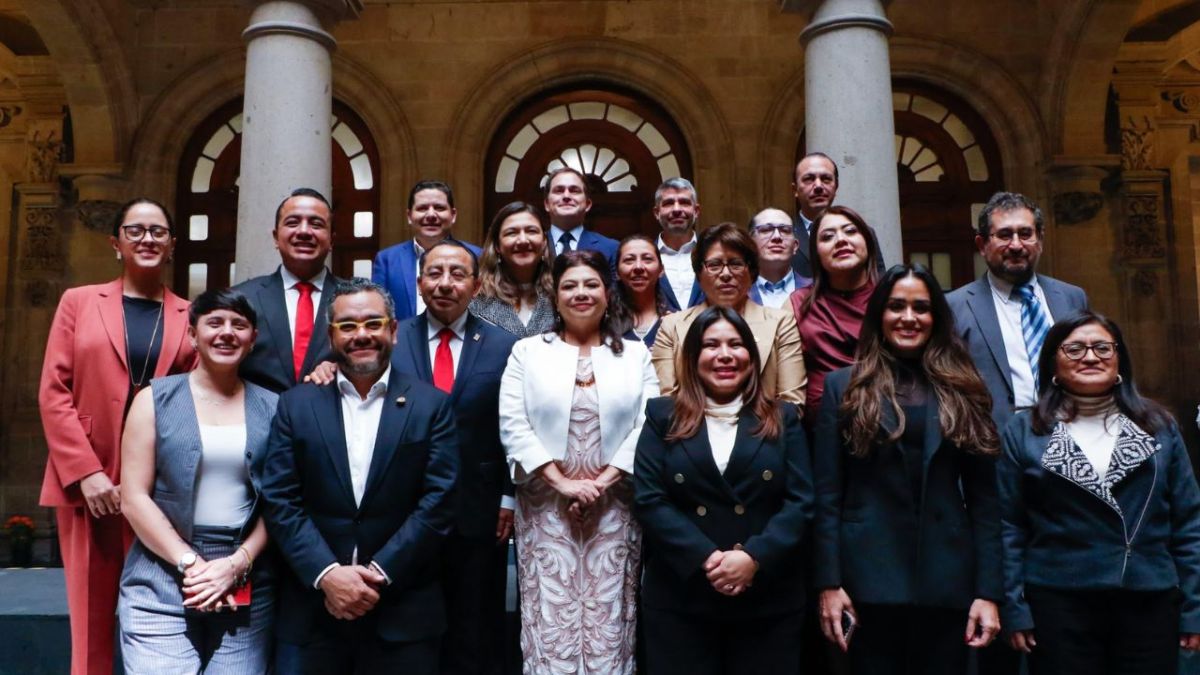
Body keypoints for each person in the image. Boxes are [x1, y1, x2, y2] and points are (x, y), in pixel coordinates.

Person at [260, 278, 459, 673]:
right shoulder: (295, 405)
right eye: (348, 326)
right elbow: (280, 499)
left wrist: (378, 574)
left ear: (394, 330)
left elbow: (440, 501)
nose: (361, 335)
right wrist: (329, 575)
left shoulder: (431, 405)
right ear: (331, 335)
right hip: (313, 613)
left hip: (403, 613)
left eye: (373, 323)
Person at [814, 264, 1003, 675]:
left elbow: (987, 502)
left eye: (921, 307)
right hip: (867, 580)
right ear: (880, 315)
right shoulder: (841, 387)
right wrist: (829, 584)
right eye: (896, 306)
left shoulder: (965, 388)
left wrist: (988, 592)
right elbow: (827, 497)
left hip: (947, 579)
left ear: (936, 317)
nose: (909, 317)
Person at [38, 197, 197, 675]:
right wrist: (85, 473)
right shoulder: (79, 301)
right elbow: (54, 390)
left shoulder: (190, 314)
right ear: (116, 243)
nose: (147, 239)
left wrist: (152, 482)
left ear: (172, 245)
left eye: (158, 232)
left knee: (157, 617)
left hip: (155, 489)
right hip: (88, 482)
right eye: (136, 231)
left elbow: (190, 404)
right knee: (89, 618)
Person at [998, 311, 1200, 674]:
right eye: (1074, 349)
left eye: (1102, 348)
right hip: (1059, 600)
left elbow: (1188, 522)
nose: (1090, 357)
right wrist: (1014, 606)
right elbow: (1009, 525)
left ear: (1119, 359)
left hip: (1148, 597)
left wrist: (1195, 608)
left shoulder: (1158, 426)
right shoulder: (1025, 430)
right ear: (1053, 364)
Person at [499, 249, 659, 675]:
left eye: (591, 284)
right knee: (551, 618)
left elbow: (649, 423)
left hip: (615, 507)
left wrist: (600, 483)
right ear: (555, 294)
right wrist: (563, 484)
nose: (581, 293)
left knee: (609, 618)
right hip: (546, 508)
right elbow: (513, 425)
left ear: (607, 293)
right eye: (570, 285)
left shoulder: (635, 353)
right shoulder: (527, 352)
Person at [634, 306, 814, 674]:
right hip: (682, 596)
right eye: (711, 345)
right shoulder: (661, 415)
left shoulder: (783, 417)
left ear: (752, 354)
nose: (725, 355)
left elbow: (801, 501)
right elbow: (649, 499)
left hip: (767, 597)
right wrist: (707, 559)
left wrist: (752, 558)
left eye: (735, 344)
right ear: (692, 356)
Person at [117, 289, 277, 673]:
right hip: (161, 569)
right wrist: (190, 562)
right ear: (192, 335)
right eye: (215, 323)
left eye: (239, 325)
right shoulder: (154, 399)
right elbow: (133, 497)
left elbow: (281, 504)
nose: (227, 333)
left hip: (246, 573)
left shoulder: (274, 407)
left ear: (252, 339)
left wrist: (237, 563)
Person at [390, 240, 519, 675]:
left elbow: (513, 427)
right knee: (409, 624)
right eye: (435, 273)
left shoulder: (505, 345)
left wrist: (508, 497)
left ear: (476, 285)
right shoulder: (391, 339)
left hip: (479, 510)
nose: (445, 284)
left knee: (475, 629)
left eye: (457, 274)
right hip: (403, 507)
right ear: (420, 282)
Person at [947, 191, 1089, 431]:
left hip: (1072, 436)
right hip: (998, 445)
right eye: (1004, 235)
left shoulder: (1072, 297)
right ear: (982, 245)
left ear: (1040, 240)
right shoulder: (955, 306)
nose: (1015, 245)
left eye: (1025, 234)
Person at [651, 222, 806, 411]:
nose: (725, 274)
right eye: (714, 265)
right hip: (690, 436)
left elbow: (792, 404)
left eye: (735, 264)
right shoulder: (672, 326)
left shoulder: (781, 322)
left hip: (763, 434)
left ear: (752, 272)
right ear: (699, 273)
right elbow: (666, 404)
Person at [233, 187, 343, 393]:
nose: (303, 231)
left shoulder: (352, 299)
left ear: (332, 240)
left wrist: (345, 369)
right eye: (292, 223)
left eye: (316, 224)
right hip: (260, 421)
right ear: (276, 237)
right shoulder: (241, 298)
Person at [790, 205, 882, 424]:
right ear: (816, 253)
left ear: (868, 243)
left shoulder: (891, 298)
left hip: (886, 419)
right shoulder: (798, 303)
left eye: (850, 231)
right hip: (821, 426)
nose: (841, 240)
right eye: (828, 236)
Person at [372, 180, 482, 322]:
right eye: (422, 208)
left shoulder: (478, 256)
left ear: (453, 215)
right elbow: (377, 312)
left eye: (439, 208)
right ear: (409, 216)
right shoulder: (387, 259)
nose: (431, 214)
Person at [469, 201, 557, 338]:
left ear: (544, 242)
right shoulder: (475, 296)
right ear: (497, 245)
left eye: (531, 231)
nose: (522, 240)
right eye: (512, 233)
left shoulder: (560, 293)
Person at [544, 167, 618, 266]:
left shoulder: (611, 248)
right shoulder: (532, 245)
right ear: (547, 204)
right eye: (559, 190)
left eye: (574, 190)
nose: (566, 196)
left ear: (587, 204)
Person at [610, 234, 672, 346]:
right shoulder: (604, 322)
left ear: (661, 270)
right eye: (629, 260)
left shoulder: (675, 320)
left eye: (647, 259)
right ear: (617, 273)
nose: (638, 267)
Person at [652, 177, 705, 310]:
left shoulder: (711, 252)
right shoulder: (645, 258)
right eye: (669, 203)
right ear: (657, 213)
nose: (676, 209)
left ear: (696, 211)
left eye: (684, 202)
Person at [791, 152, 840, 279]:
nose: (818, 186)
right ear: (795, 190)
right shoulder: (780, 236)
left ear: (836, 188)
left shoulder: (862, 233)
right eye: (809, 179)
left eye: (826, 179)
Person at [749, 207, 808, 308]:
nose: (777, 237)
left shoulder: (815, 291)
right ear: (750, 244)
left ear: (795, 246)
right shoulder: (738, 291)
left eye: (785, 230)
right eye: (766, 230)